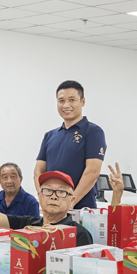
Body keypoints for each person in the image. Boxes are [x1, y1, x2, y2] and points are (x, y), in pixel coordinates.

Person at [34, 80, 106, 209]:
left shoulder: (93, 132)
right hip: (51, 209)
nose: (66, 105)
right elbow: (38, 171)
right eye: (61, 101)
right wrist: (43, 198)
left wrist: (70, 202)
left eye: (72, 100)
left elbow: (92, 171)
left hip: (80, 209)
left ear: (82, 102)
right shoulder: (50, 135)